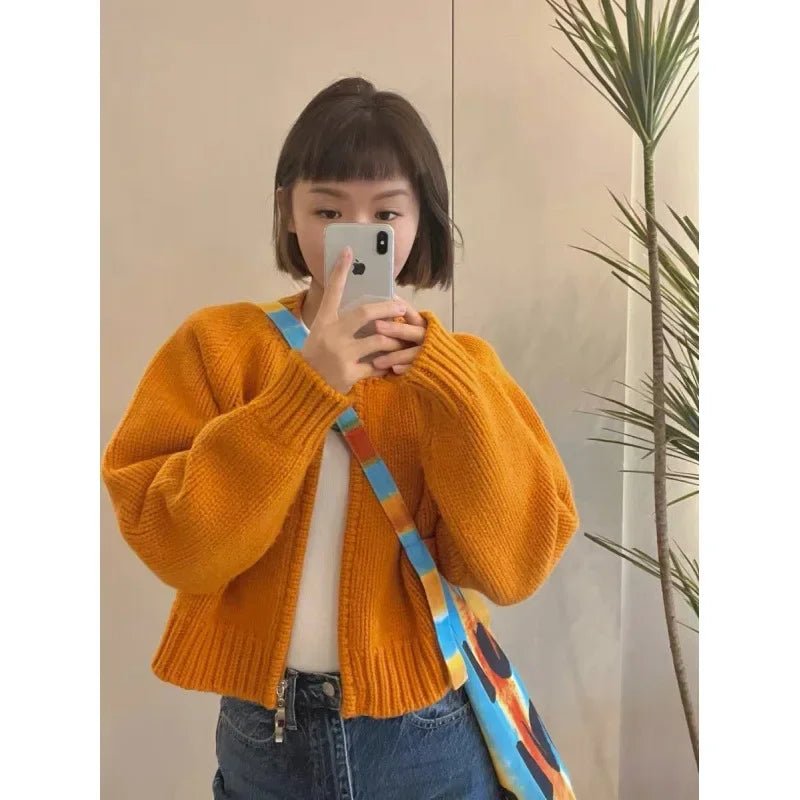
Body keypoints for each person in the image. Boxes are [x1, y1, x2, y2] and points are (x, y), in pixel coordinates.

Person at [101, 76, 579, 800]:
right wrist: (305, 387)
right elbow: (179, 546)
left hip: (428, 732)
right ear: (288, 213)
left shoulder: (464, 372)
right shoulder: (219, 348)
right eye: (328, 210)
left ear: (420, 222)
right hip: (267, 736)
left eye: (385, 213)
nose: (356, 235)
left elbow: (516, 568)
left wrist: (448, 386)